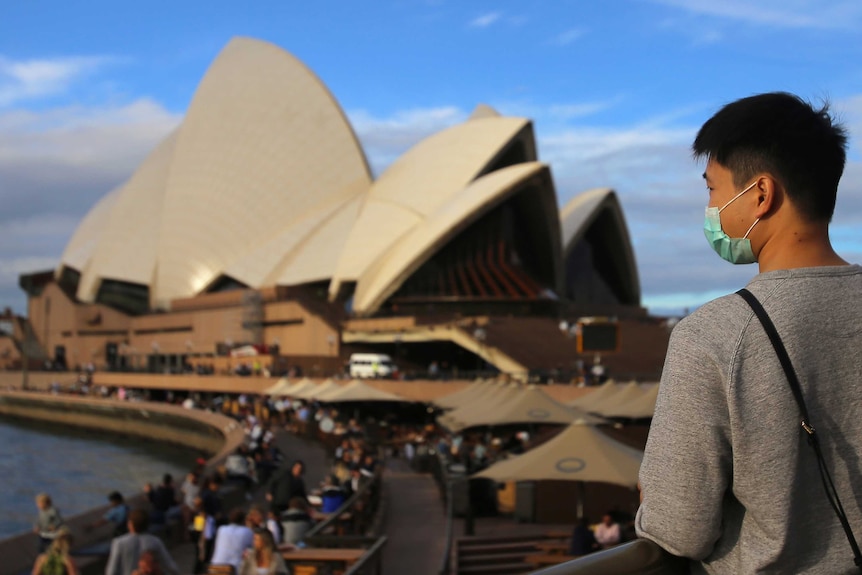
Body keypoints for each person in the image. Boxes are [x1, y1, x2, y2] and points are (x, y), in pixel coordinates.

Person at [635, 92, 861, 573]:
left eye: (712, 190)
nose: (711, 207)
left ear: (760, 194)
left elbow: (679, 527)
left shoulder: (715, 334)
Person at [105, 509, 179, 575]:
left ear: (130, 524)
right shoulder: (154, 541)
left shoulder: (119, 543)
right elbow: (170, 566)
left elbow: (111, 571)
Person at [209, 507, 254, 572]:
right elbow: (253, 547)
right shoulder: (247, 532)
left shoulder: (221, 529)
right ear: (243, 520)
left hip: (215, 566)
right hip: (234, 568)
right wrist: (250, 525)